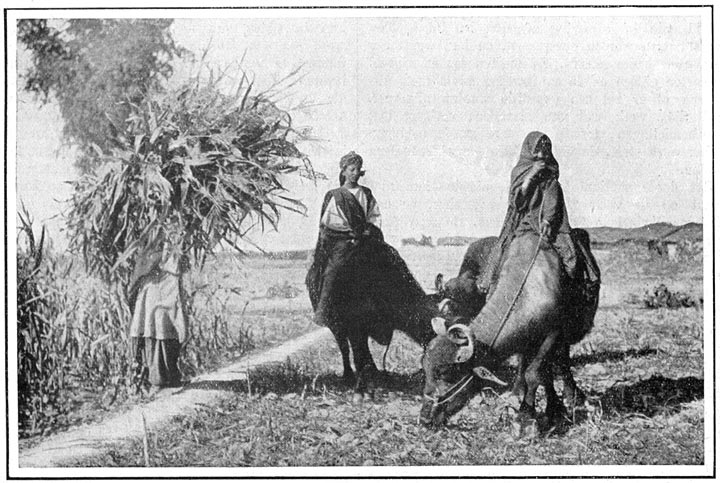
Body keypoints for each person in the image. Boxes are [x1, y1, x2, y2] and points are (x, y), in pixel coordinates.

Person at [307, 150, 416, 328]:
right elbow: (329, 221)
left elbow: (374, 215)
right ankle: (324, 311)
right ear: (343, 171)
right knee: (333, 269)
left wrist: (368, 229)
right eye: (351, 169)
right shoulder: (335, 195)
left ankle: (398, 309)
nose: (355, 173)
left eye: (358, 169)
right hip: (343, 241)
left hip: (365, 238)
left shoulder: (366, 193)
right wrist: (349, 231)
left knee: (389, 260)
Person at [477, 131, 584, 297]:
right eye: (537, 151)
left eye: (545, 151)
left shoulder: (551, 176)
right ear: (529, 151)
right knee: (501, 255)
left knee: (570, 257)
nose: (541, 155)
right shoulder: (519, 172)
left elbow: (553, 198)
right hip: (524, 221)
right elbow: (517, 203)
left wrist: (548, 220)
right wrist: (531, 176)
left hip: (548, 224)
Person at [128, 229, 190, 391]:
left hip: (168, 285)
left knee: (170, 328)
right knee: (157, 327)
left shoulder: (175, 232)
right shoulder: (154, 233)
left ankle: (171, 376)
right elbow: (148, 260)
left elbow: (180, 260)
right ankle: (158, 380)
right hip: (156, 286)